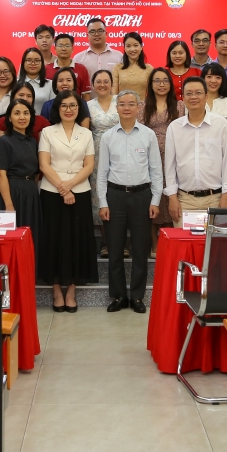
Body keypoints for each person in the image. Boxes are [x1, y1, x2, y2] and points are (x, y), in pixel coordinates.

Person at [97, 90, 162, 313]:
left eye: (131, 104)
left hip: (141, 196)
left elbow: (156, 170)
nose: (126, 108)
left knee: (140, 249)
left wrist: (155, 200)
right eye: (122, 104)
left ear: (138, 107)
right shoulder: (108, 137)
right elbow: (102, 172)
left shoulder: (148, 135)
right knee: (115, 249)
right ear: (116, 108)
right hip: (115, 196)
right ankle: (118, 296)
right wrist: (103, 203)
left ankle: (137, 296)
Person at [38, 90, 98, 312]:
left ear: (79, 108)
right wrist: (63, 190)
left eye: (73, 105)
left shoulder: (86, 134)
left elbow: (89, 165)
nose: (68, 109)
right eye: (64, 105)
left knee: (77, 240)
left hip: (79, 191)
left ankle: (71, 290)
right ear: (57, 108)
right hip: (51, 192)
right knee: (53, 239)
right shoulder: (47, 132)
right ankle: (56, 290)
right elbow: (44, 165)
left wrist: (70, 185)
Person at [164, 76, 227, 222]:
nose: (193, 97)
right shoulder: (174, 127)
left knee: (216, 237)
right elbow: (170, 165)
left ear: (206, 96)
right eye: (189, 93)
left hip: (216, 199)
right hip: (185, 200)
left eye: (198, 93)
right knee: (183, 238)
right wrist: (172, 197)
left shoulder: (221, 124)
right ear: (183, 98)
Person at [140, 68, 184, 252]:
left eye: (165, 80)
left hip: (174, 158)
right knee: (154, 198)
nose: (161, 84)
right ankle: (154, 244)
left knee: (170, 199)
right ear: (151, 84)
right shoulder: (143, 106)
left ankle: (169, 243)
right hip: (150, 159)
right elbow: (140, 132)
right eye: (157, 81)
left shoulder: (180, 106)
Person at [0, 99, 43, 252]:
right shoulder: (4, 141)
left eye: (26, 113)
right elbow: (1, 174)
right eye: (17, 113)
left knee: (31, 237)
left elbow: (36, 173)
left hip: (31, 193)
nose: (22, 117)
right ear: (9, 118)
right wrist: (8, 205)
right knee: (12, 239)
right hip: (12, 191)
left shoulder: (33, 142)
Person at [87, 69, 119, 255]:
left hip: (120, 154)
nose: (102, 85)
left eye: (106, 81)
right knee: (99, 196)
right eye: (98, 81)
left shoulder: (120, 101)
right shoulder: (88, 106)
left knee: (118, 194)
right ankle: (107, 242)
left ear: (112, 83)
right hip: (97, 155)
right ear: (93, 85)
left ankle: (121, 243)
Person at [46, 34, 91, 101]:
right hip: (51, 106)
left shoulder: (81, 69)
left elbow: (86, 95)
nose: (64, 49)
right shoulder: (46, 69)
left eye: (67, 46)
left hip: (74, 106)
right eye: (60, 46)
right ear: (55, 48)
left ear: (72, 49)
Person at [111, 32, 153, 99]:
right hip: (122, 105)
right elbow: (114, 94)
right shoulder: (117, 68)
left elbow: (152, 95)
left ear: (141, 47)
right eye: (128, 46)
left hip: (143, 105)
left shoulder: (149, 69)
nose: (132, 49)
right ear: (124, 48)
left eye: (135, 45)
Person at [198, 62, 227, 130]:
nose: (213, 81)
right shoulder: (195, 101)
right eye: (209, 77)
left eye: (218, 77)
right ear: (203, 79)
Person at [19, 47, 55, 112]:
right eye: (29, 60)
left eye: (37, 60)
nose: (33, 63)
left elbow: (52, 108)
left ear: (42, 63)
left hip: (43, 118)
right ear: (23, 63)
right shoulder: (15, 83)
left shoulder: (50, 84)